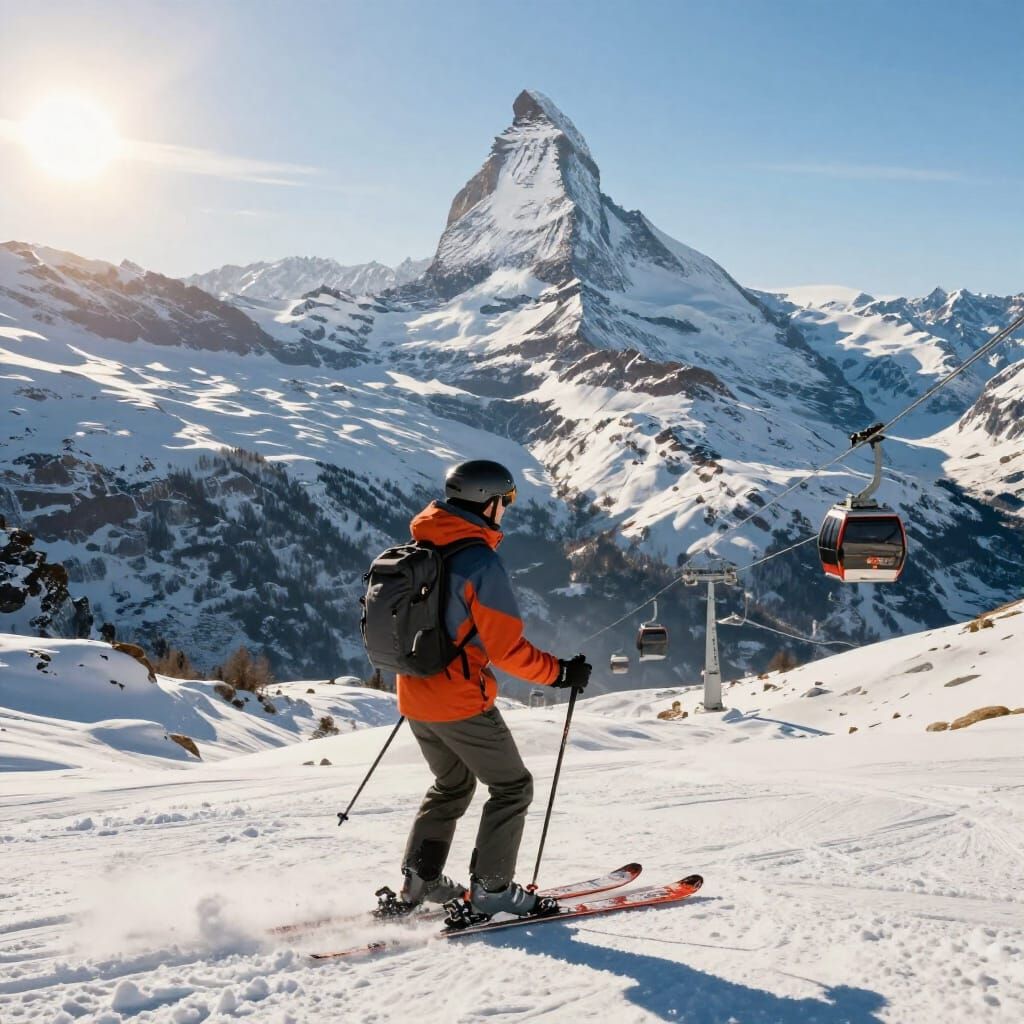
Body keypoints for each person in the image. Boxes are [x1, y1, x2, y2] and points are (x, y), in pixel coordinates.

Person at [397, 459, 592, 918]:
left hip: (414, 694)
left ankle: (420, 881)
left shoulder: (419, 549)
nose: (506, 510)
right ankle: (493, 889)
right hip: (459, 699)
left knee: (452, 783)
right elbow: (506, 650)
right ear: (488, 503)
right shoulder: (478, 561)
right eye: (506, 501)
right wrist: (560, 674)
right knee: (512, 788)